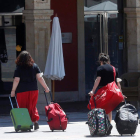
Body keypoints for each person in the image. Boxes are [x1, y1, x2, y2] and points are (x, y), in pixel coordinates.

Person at [11, 51, 50, 130]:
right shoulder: (34, 66)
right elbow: (40, 78)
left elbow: (16, 80)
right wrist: (46, 87)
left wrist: (13, 90)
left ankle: (25, 123)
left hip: (22, 90)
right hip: (33, 90)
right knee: (32, 106)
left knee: (22, 107)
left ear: (19, 59)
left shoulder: (18, 67)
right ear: (30, 58)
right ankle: (35, 121)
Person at [89, 53, 126, 123]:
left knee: (99, 106)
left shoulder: (100, 68)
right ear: (108, 61)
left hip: (103, 91)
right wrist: (121, 94)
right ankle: (109, 124)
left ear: (101, 61)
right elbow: (118, 83)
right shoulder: (114, 69)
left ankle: (102, 124)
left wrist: (93, 91)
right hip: (112, 92)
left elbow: (98, 80)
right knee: (109, 109)